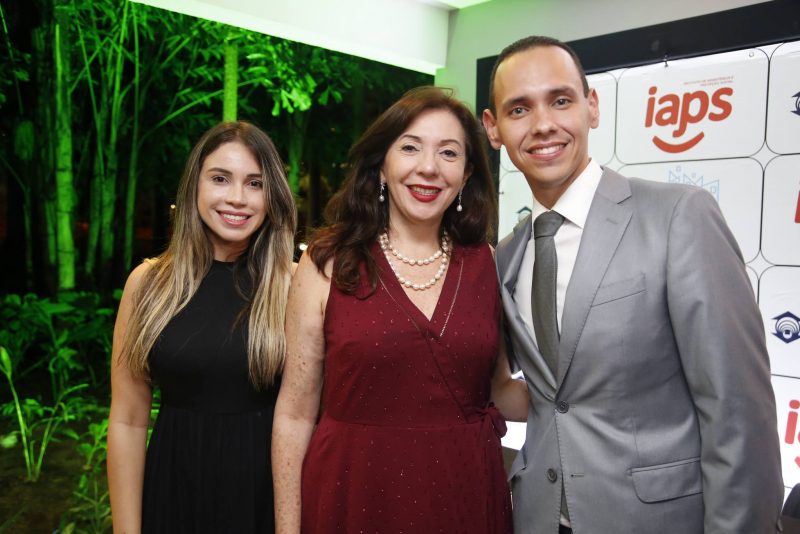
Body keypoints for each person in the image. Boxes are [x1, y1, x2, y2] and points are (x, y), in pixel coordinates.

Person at [481, 35, 784, 534]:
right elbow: (542, 396)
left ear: (592, 107)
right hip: (536, 517)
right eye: (519, 109)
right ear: (494, 129)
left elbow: (736, 412)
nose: (543, 125)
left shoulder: (678, 217)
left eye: (560, 100)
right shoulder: (509, 255)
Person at [272, 86, 527, 534]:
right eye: (410, 147)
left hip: (464, 493)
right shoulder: (326, 264)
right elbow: (294, 413)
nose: (428, 167)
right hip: (353, 494)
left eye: (448, 153)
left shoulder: (487, 263)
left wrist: (584, 400)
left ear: (467, 174)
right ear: (382, 167)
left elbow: (499, 388)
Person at [107, 121, 297, 533]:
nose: (236, 198)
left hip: (264, 500)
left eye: (255, 183)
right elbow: (127, 419)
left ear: (273, 196)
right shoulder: (148, 284)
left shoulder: (296, 286)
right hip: (173, 490)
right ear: (195, 185)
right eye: (220, 178)